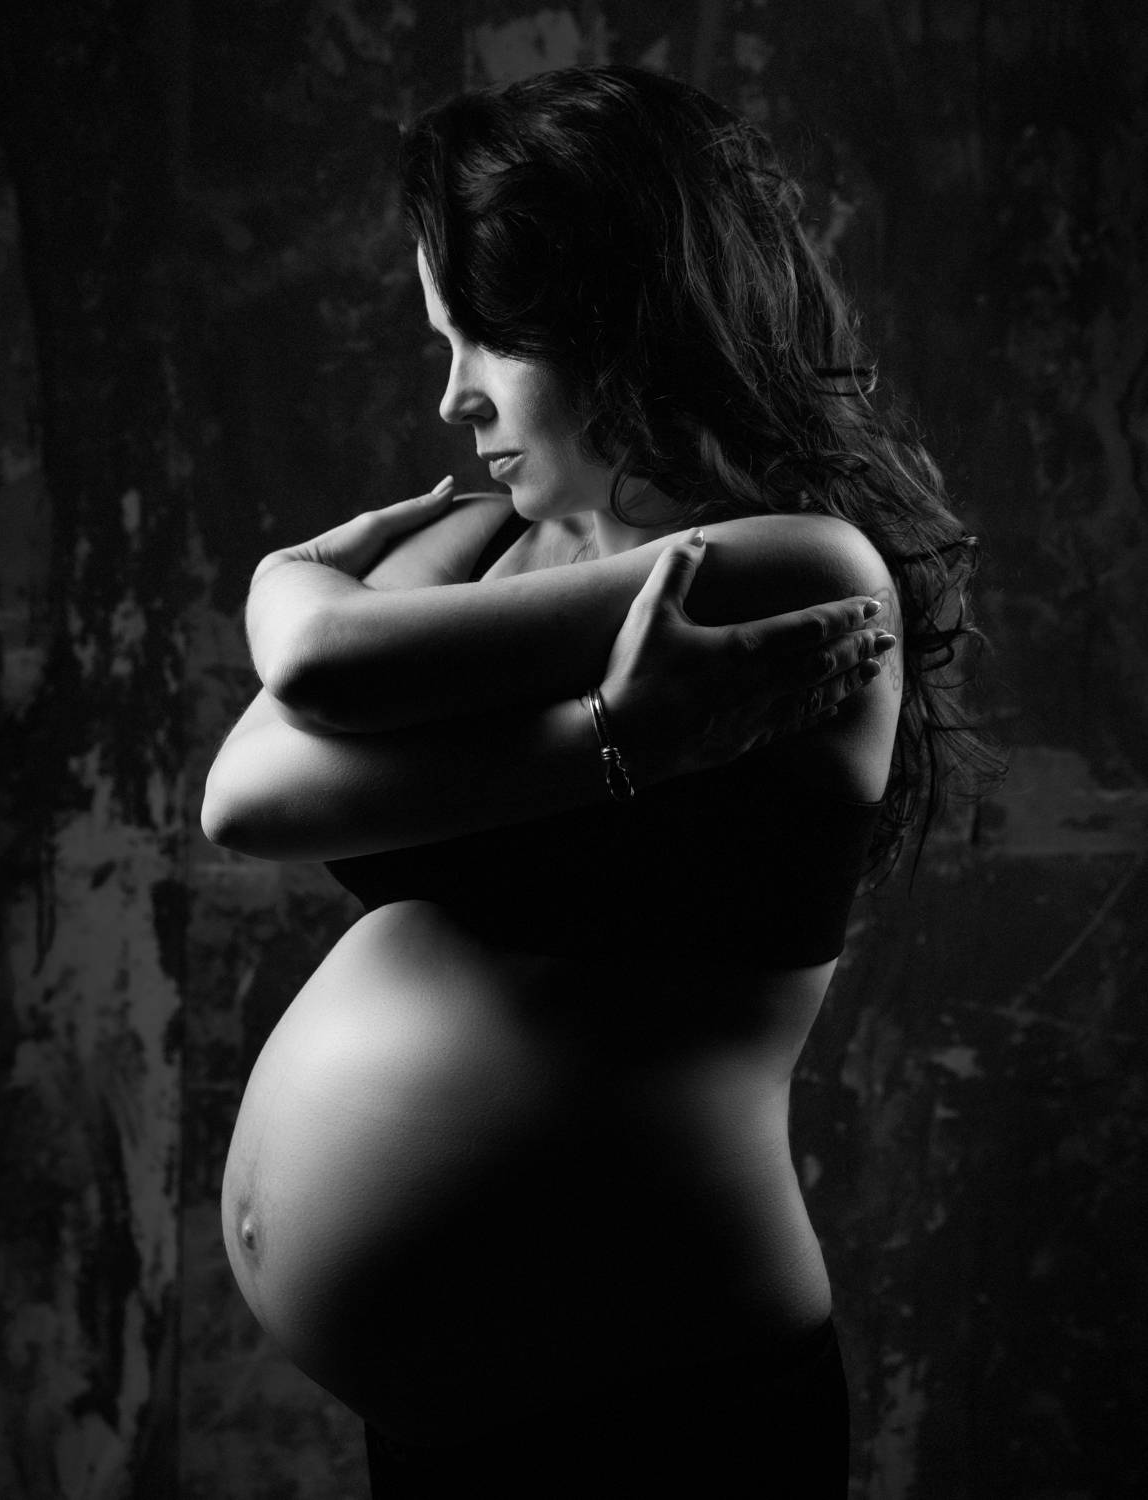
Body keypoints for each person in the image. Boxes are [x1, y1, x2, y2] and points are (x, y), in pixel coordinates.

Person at [202, 65, 989, 1497]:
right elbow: (247, 791)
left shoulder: (794, 573)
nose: (453, 397)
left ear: (618, 321)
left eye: (486, 343)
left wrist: (302, 585)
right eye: (444, 340)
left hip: (658, 1413)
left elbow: (311, 668)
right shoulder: (493, 544)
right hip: (456, 1424)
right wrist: (613, 735)